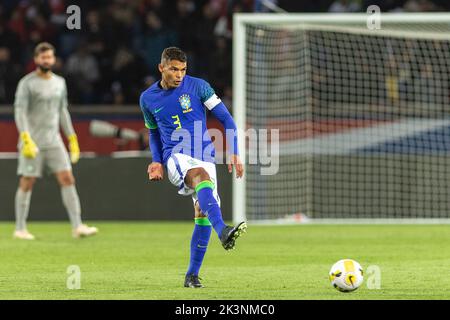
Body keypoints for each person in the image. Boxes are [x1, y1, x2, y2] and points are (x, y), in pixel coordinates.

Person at [140, 47, 247, 288]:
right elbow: (154, 132)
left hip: (205, 155)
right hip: (175, 156)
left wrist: (235, 152)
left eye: (183, 70)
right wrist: (157, 160)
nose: (179, 75)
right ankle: (223, 231)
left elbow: (226, 119)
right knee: (200, 177)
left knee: (202, 214)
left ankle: (191, 276)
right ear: (161, 68)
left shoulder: (199, 86)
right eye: (174, 69)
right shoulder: (147, 98)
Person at [13, 42, 98, 240]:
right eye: (43, 57)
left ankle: (78, 226)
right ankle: (20, 228)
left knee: (68, 178)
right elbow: (19, 111)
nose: (47, 60)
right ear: (36, 59)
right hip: (32, 142)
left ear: (54, 59)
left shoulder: (60, 82)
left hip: (54, 141)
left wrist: (71, 137)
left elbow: (62, 111)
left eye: (50, 57)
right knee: (27, 181)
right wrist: (25, 137)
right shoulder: (27, 83)